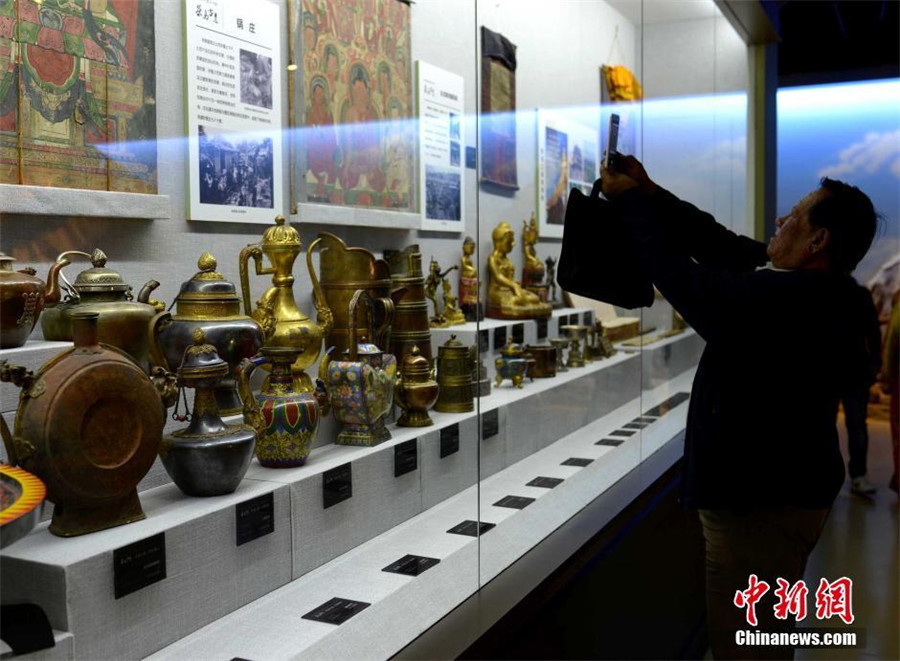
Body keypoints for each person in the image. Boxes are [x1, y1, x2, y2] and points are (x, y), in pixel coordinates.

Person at [600, 155, 878, 660]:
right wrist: (650, 190)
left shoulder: (781, 302)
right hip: (790, 495)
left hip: (760, 509)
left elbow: (681, 277)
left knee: (745, 647)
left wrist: (633, 205)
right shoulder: (837, 295)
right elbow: (718, 243)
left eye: (793, 217)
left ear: (817, 242)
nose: (779, 222)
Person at [842, 284, 882, 496]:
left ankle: (857, 474)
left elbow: (873, 330)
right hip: (856, 369)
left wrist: (875, 362)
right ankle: (857, 475)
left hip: (852, 370)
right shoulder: (859, 293)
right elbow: (873, 330)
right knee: (857, 425)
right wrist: (875, 362)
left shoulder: (857, 294)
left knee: (856, 424)